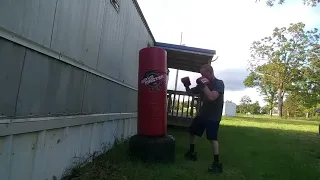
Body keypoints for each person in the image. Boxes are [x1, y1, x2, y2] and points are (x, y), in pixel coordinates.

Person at [181, 64, 224, 174]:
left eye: (203, 74)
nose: (201, 76)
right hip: (203, 114)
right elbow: (190, 93)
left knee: (212, 138)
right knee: (192, 131)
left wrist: (204, 85)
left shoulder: (219, 83)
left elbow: (211, 97)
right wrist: (186, 86)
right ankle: (191, 153)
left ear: (210, 72)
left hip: (213, 115)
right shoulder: (201, 84)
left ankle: (216, 164)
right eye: (201, 74)